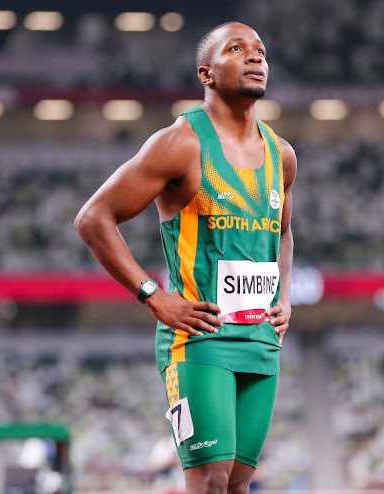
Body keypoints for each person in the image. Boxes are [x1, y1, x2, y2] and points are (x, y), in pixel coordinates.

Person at [74, 21, 296, 494]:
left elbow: (284, 233)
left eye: (260, 49)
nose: (256, 57)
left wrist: (286, 297)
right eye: (237, 49)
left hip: (260, 338)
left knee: (239, 483)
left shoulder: (283, 155)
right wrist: (154, 296)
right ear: (207, 73)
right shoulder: (179, 143)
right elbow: (94, 219)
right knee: (209, 481)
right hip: (199, 339)